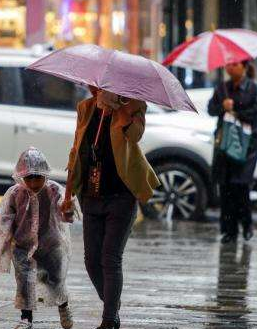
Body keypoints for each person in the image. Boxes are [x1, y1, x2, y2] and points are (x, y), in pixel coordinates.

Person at [64, 87, 160, 329]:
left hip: (121, 195)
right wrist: (68, 195)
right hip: (91, 195)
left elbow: (135, 136)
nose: (94, 88)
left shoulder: (134, 104)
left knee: (110, 257)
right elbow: (76, 150)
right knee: (91, 260)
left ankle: (109, 320)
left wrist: (120, 110)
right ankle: (112, 305)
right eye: (93, 85)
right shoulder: (85, 108)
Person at [0, 147, 80, 329]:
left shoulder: (55, 191)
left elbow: (67, 215)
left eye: (37, 177)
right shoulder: (15, 194)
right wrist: (5, 240)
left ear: (45, 175)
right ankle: (26, 319)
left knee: (55, 281)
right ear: (21, 176)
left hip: (51, 246)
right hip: (23, 247)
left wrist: (67, 207)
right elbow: (5, 218)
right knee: (24, 281)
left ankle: (63, 306)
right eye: (29, 178)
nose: (33, 183)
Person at [208, 60, 257, 244]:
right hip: (225, 144)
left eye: (235, 64)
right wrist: (222, 107)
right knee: (225, 187)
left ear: (245, 66)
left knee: (240, 186)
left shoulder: (254, 88)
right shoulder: (222, 88)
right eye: (228, 64)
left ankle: (246, 225)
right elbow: (211, 109)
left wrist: (236, 110)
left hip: (246, 145)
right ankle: (228, 231)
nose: (231, 67)